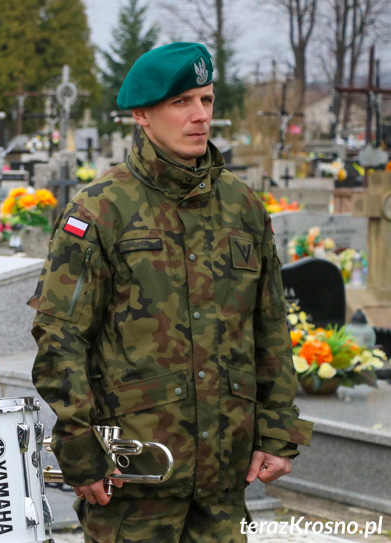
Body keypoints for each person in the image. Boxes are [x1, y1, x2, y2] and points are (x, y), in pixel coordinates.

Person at [30, 42, 313, 542]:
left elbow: (269, 327)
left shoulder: (242, 207)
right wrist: (78, 445)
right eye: (181, 102)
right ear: (142, 114)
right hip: (136, 481)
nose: (200, 116)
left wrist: (277, 430)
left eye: (206, 100)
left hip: (224, 480)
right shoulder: (100, 210)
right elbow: (61, 337)